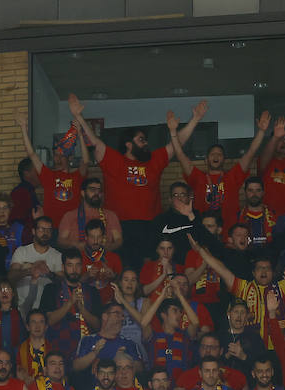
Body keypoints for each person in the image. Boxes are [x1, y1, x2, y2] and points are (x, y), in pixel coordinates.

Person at [69, 94, 205, 267]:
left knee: (149, 268)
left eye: (145, 140)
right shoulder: (115, 160)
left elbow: (177, 144)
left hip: (151, 226)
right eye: (141, 140)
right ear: (128, 144)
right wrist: (79, 116)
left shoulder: (153, 160)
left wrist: (195, 119)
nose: (145, 143)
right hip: (120, 227)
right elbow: (95, 143)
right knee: (123, 269)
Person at [173, 110, 269, 226]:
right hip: (204, 234)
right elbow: (179, 154)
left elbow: (251, 152)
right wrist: (172, 131)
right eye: (212, 154)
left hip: (229, 235)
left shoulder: (233, 176)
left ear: (224, 159)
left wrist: (262, 131)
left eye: (219, 154)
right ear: (206, 159)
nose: (216, 156)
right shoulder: (197, 177)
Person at [15, 113, 89, 225]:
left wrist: (80, 135)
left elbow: (86, 160)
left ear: (70, 158)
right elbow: (32, 154)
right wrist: (23, 128)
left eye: (61, 155)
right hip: (52, 229)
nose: (57, 159)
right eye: (55, 155)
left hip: (73, 228)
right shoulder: (48, 175)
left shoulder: (77, 176)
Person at [40, 248, 101, 359]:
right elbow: (49, 321)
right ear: (63, 267)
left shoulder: (92, 291)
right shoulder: (51, 289)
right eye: (70, 265)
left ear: (82, 266)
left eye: (77, 265)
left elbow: (97, 325)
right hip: (58, 351)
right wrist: (70, 303)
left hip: (87, 352)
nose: (74, 270)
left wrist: (82, 309)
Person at [72, 302, 144, 387]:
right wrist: (94, 353)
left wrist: (124, 358)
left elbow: (140, 369)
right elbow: (76, 367)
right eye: (117, 314)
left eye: (122, 316)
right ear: (105, 316)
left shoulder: (129, 343)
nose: (121, 318)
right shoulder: (88, 340)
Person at [8, 216, 62, 311]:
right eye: (41, 229)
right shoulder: (22, 251)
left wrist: (49, 273)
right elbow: (10, 277)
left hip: (47, 309)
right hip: (22, 308)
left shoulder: (57, 255)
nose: (45, 233)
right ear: (33, 231)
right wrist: (30, 271)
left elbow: (63, 282)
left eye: (49, 230)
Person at [57, 177, 122, 252]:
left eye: (99, 191)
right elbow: (61, 241)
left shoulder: (110, 215)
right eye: (92, 190)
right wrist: (76, 245)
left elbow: (118, 240)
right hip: (78, 259)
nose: (96, 193)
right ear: (83, 193)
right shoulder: (70, 216)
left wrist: (109, 247)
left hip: (104, 257)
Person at [0, 193, 27, 266]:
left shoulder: (19, 228)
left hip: (15, 272)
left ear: (10, 210)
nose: (2, 211)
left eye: (5, 208)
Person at [10, 159, 42, 226]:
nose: (40, 173)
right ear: (27, 174)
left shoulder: (28, 191)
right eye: (37, 170)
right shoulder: (20, 193)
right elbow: (18, 222)